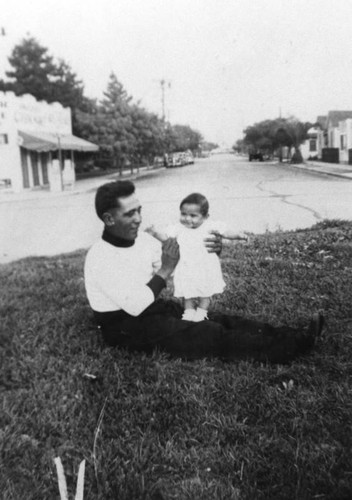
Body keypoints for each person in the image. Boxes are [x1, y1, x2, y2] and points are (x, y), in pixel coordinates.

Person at [84, 180, 324, 364]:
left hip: (152, 310)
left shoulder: (143, 241)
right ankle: (296, 346)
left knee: (219, 319)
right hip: (126, 328)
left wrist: (210, 250)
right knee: (209, 334)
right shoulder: (100, 256)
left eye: (139, 210)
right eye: (129, 213)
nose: (138, 219)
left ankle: (295, 334)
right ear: (108, 218)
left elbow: (182, 260)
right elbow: (135, 304)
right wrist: (166, 269)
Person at [145, 192, 248, 322]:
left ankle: (202, 311)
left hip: (205, 266)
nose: (187, 219)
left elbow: (226, 232)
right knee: (186, 290)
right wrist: (155, 233)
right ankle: (188, 311)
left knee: (205, 290)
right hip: (186, 266)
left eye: (193, 216)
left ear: (205, 217)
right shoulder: (178, 228)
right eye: (184, 214)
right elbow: (166, 237)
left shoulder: (210, 226)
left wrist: (239, 235)